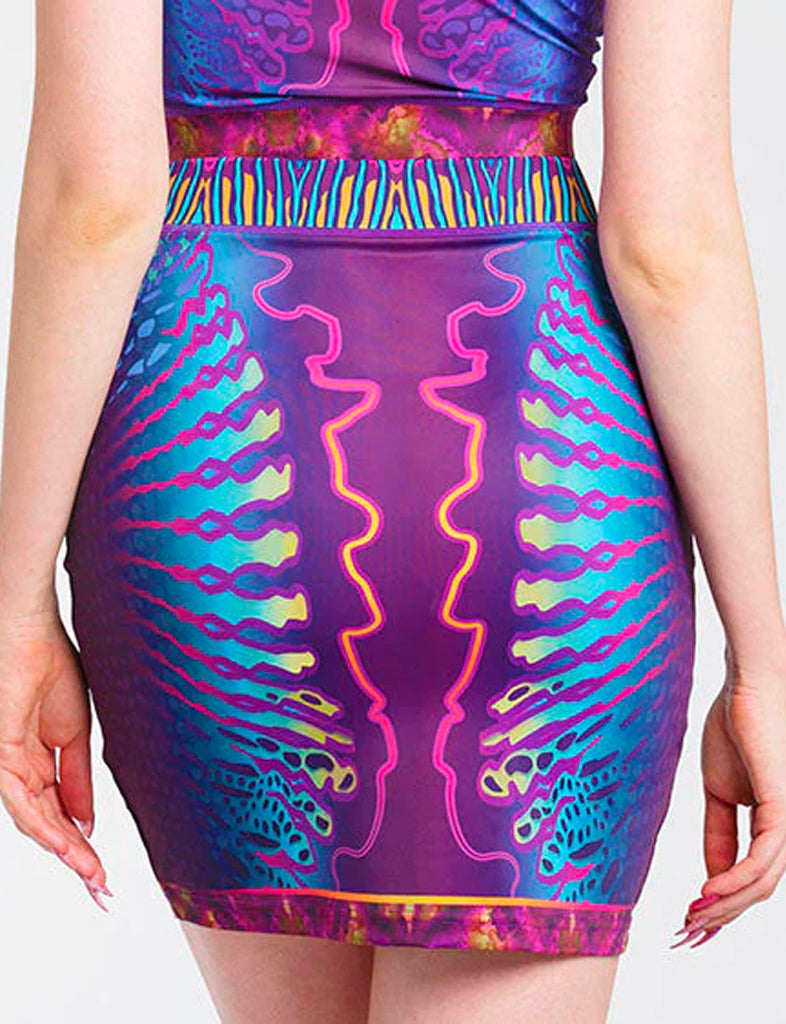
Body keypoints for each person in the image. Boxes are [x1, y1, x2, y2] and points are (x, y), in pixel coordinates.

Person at [1, 0, 785, 1021]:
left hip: (228, 475)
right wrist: (762, 666)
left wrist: (16, 610)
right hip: (546, 474)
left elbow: (95, 203)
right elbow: (669, 250)